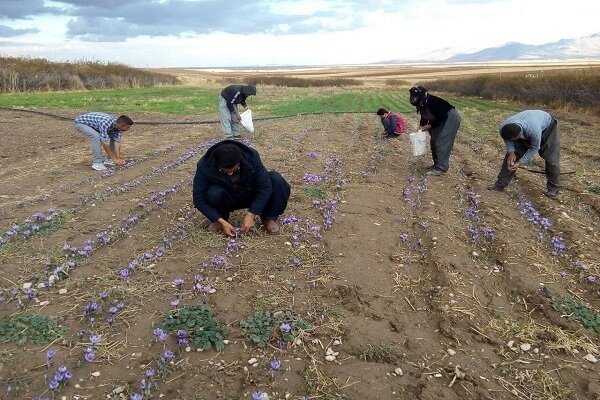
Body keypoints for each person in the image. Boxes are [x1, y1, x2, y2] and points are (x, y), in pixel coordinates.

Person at [193, 140, 290, 237]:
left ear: (240, 159)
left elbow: (265, 186)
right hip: (228, 197)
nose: (230, 173)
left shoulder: (251, 156)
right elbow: (198, 199)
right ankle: (221, 220)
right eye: (225, 171)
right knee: (214, 192)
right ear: (216, 164)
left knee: (276, 179)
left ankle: (269, 218)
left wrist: (251, 214)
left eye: (234, 170)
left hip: (250, 193)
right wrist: (219, 219)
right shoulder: (205, 164)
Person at [488, 110, 561, 198]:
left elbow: (534, 148)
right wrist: (511, 151)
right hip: (528, 124)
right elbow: (507, 140)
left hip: (547, 128)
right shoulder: (504, 128)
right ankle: (499, 185)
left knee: (551, 159)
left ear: (519, 135)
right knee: (511, 158)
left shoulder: (533, 130)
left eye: (517, 138)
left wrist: (520, 162)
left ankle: (553, 189)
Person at [409, 86, 461, 176]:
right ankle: (436, 165)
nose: (413, 99)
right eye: (412, 97)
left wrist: (429, 126)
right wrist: (421, 126)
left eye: (415, 97)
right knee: (434, 141)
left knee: (441, 142)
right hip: (439, 119)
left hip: (450, 117)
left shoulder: (432, 102)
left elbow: (441, 116)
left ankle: (441, 168)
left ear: (420, 96)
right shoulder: (422, 103)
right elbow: (424, 115)